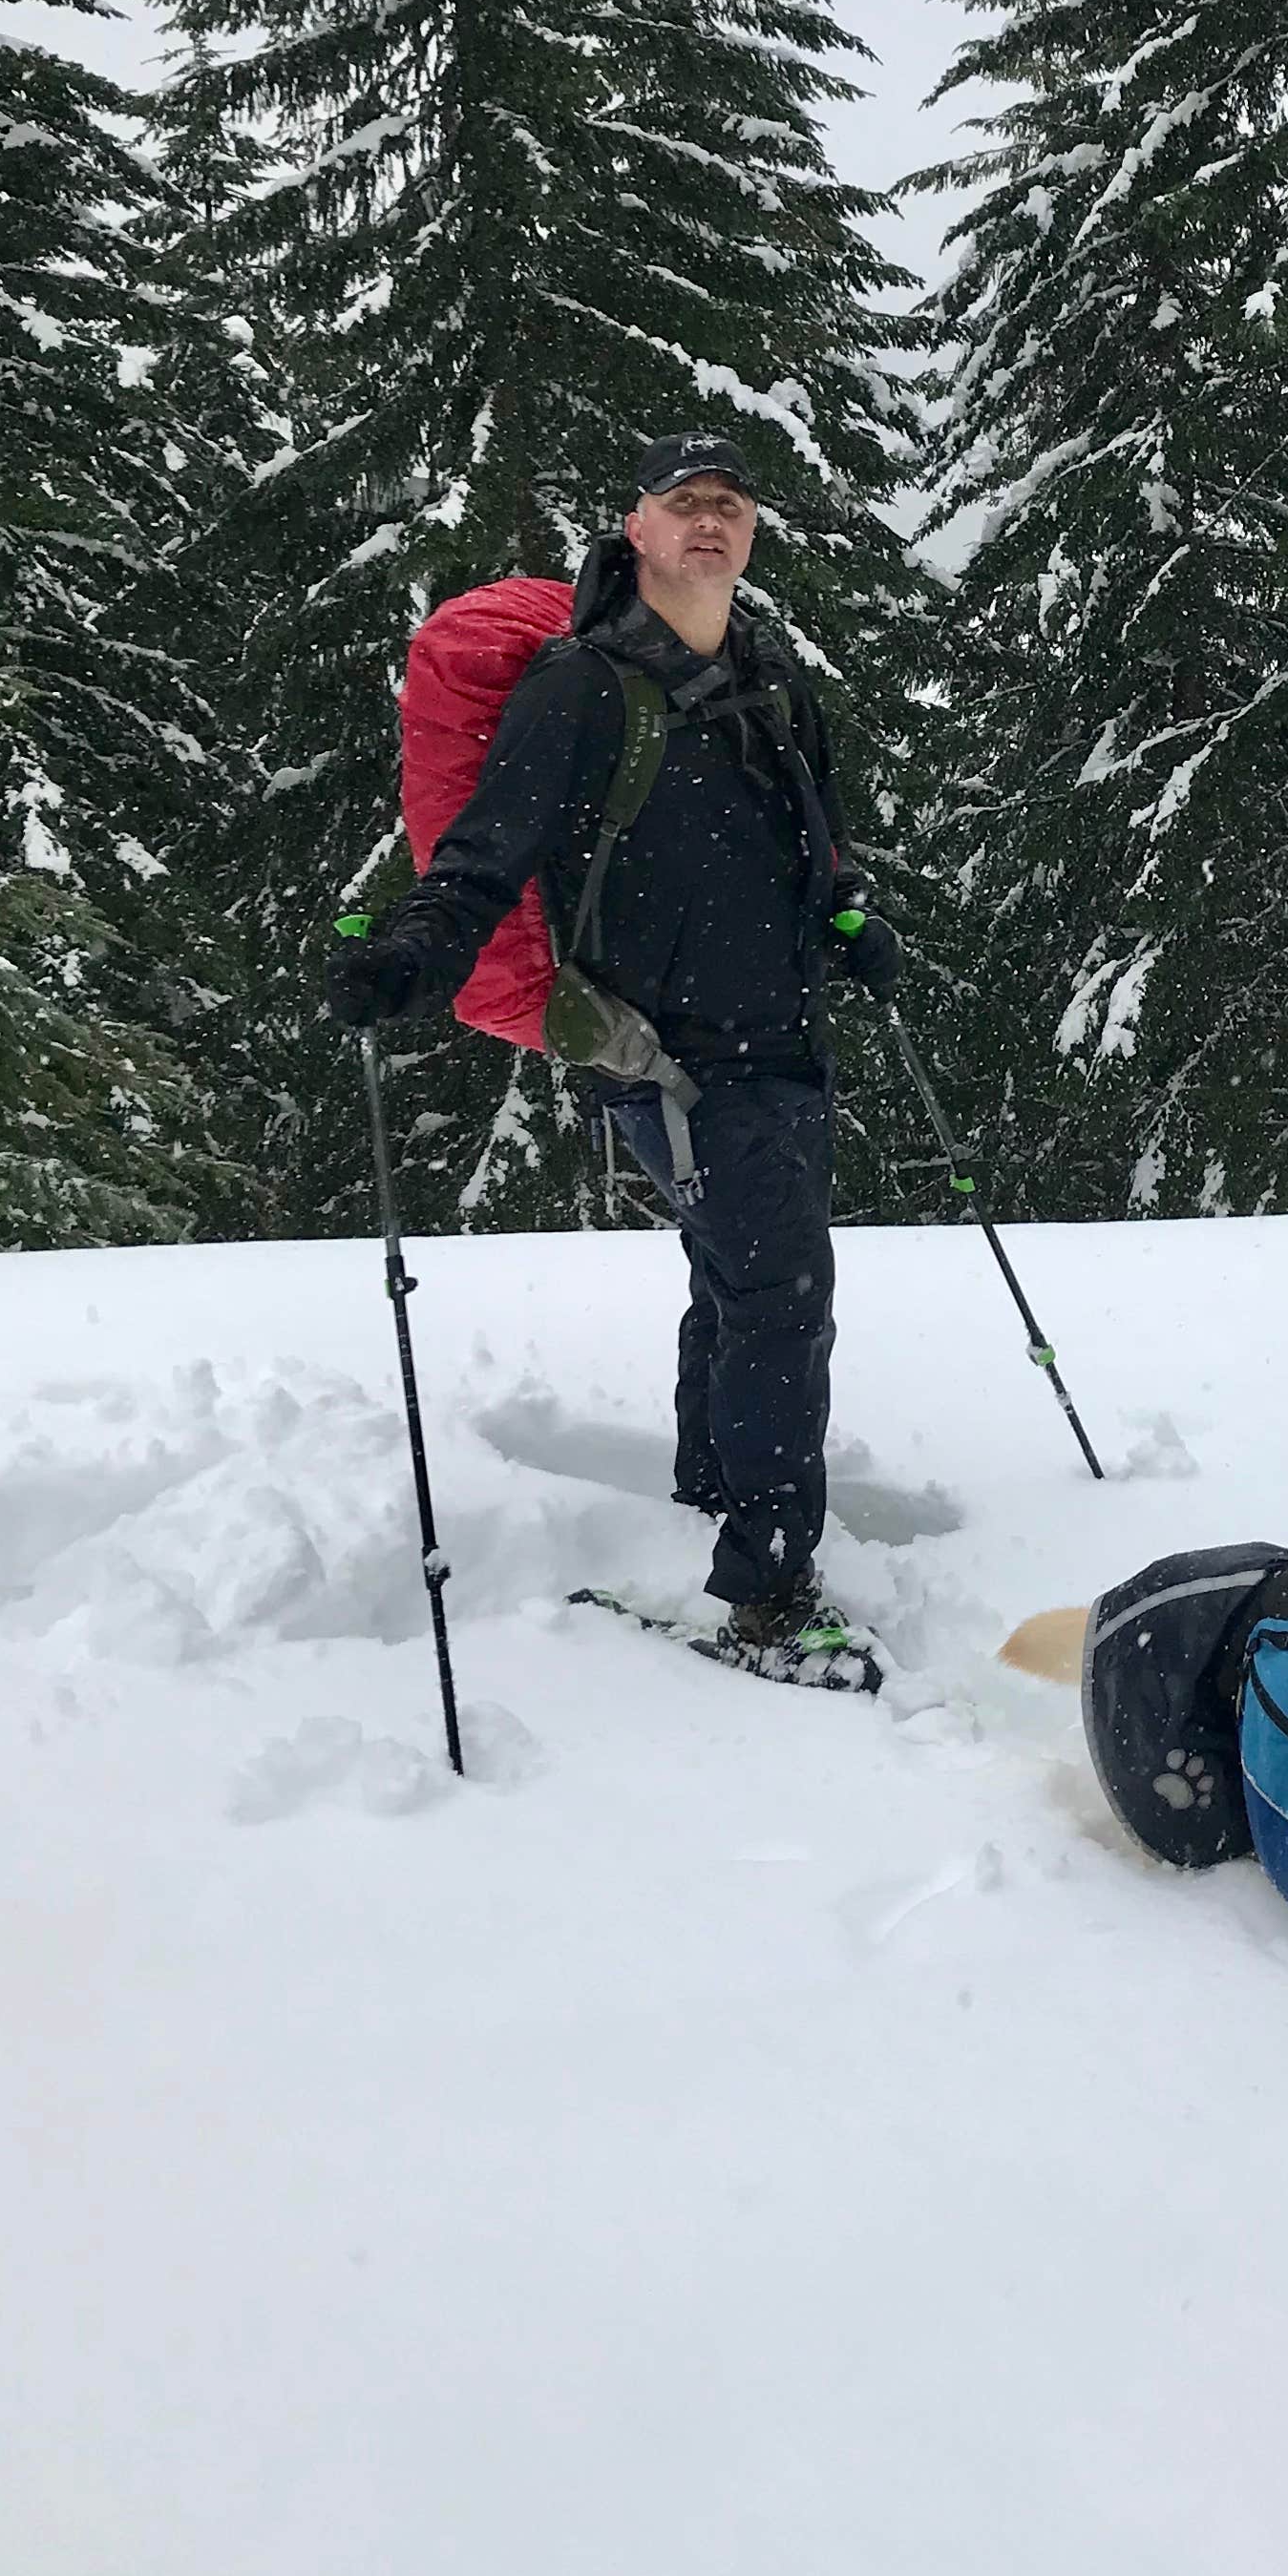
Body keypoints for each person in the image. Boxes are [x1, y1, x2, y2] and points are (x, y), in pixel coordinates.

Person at [324, 434, 898, 1685]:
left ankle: (710, 1494)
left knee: (735, 1281)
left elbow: (812, 839)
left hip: (785, 1039)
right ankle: (764, 1595)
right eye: (683, 504)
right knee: (779, 1298)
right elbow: (485, 853)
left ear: (751, 536)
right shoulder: (579, 687)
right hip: (669, 1056)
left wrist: (849, 920)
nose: (709, 524)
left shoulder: (770, 674)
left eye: (729, 508)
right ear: (635, 530)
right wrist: (415, 957)